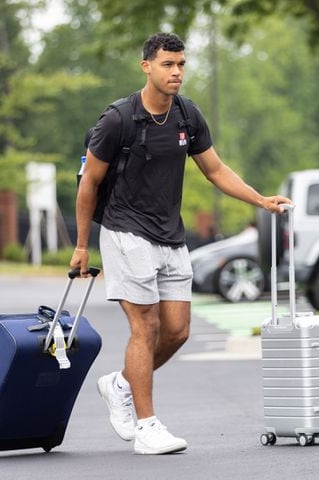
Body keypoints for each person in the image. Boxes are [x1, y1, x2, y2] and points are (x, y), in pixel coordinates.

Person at [70, 32, 292, 455]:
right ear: (147, 66)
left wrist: (261, 200)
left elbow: (216, 169)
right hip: (124, 231)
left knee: (177, 331)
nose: (176, 72)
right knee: (146, 325)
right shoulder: (118, 119)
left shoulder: (187, 116)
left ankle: (119, 384)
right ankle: (147, 426)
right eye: (168, 64)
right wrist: (83, 245)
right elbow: (89, 184)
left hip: (170, 235)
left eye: (181, 65)